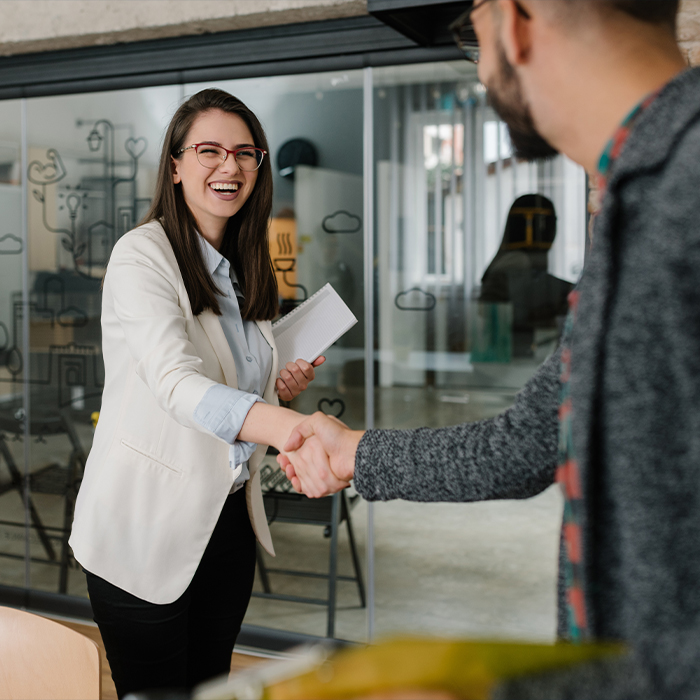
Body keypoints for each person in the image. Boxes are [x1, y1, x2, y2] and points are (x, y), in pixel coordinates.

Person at [279, 1, 700, 697]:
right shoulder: (634, 200)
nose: (480, 67)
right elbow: (527, 444)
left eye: (470, 33)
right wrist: (353, 451)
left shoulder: (680, 189)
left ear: (516, 18)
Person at [69, 89, 327, 698]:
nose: (229, 166)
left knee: (211, 687)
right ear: (176, 166)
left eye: (244, 153)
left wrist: (275, 384)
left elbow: (230, 381)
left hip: (226, 518)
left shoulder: (243, 262)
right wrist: (291, 430)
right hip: (143, 526)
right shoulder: (142, 255)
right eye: (209, 150)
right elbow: (177, 384)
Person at [479, 193, 572, 357]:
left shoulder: (518, 259)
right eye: (549, 222)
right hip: (510, 359)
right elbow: (528, 308)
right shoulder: (517, 260)